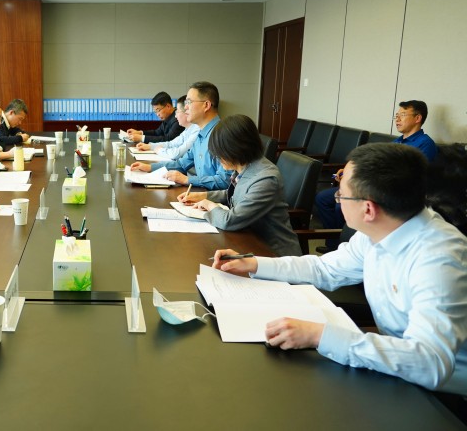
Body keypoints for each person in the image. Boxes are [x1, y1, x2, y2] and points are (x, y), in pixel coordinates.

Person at [211, 143, 467, 395]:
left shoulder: (438, 259)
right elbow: (325, 269)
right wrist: (254, 263)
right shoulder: (380, 228)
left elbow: (430, 363)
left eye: (341, 195)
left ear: (368, 209)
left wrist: (320, 336)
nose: (337, 200)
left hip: (444, 396)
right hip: (394, 367)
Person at [314, 100, 438, 252]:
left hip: (393, 191)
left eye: (403, 115)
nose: (397, 119)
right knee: (323, 198)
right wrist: (349, 172)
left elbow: (413, 176)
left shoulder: (426, 144)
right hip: (374, 185)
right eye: (396, 116)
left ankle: (347, 246)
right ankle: (334, 245)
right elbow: (376, 164)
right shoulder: (397, 141)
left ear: (417, 118)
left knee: (342, 203)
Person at [178, 115, 300, 256]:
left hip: (273, 254)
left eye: (220, 152)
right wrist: (203, 196)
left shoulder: (266, 178)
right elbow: (234, 194)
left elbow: (230, 221)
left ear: (236, 148)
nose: (217, 158)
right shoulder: (246, 166)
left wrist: (210, 205)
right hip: (248, 240)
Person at [130, 81, 230, 189]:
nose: (185, 107)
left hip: (212, 198)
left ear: (206, 105)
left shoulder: (224, 135)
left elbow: (225, 180)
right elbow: (182, 164)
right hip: (200, 195)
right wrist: (150, 167)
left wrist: (187, 180)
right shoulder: (200, 134)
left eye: (189, 102)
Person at [134, 95, 200, 161]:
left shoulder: (196, 129)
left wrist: (159, 150)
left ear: (187, 112)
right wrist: (150, 146)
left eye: (177, 111)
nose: (176, 116)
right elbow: (171, 143)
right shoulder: (187, 129)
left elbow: (177, 153)